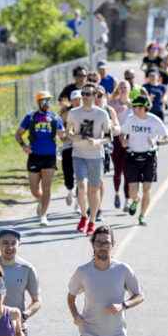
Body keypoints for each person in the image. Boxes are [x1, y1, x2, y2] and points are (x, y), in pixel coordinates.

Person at [66, 83, 112, 235]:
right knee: (81, 186)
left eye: (88, 94)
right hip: (79, 154)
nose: (85, 97)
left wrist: (98, 142)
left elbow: (108, 136)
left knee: (94, 190)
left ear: (94, 96)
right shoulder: (73, 113)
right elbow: (68, 133)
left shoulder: (102, 114)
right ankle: (83, 216)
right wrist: (75, 137)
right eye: (83, 94)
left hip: (96, 156)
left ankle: (92, 220)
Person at [120, 94, 168, 226]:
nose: (133, 109)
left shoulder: (154, 120)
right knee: (132, 192)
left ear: (143, 108)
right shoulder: (131, 119)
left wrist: (156, 142)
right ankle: (135, 201)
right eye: (133, 106)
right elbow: (122, 133)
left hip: (149, 157)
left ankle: (142, 216)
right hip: (132, 157)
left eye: (136, 107)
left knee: (147, 189)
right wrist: (123, 141)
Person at [15, 91, 65, 226]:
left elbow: (62, 136)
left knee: (47, 187)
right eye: (43, 101)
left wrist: (70, 134)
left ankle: (43, 215)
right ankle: (40, 200)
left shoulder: (55, 118)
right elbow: (18, 134)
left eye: (48, 100)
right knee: (34, 190)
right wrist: (23, 146)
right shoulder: (30, 117)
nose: (46, 103)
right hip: (34, 156)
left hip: (50, 156)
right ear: (38, 102)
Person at [94, 85, 121, 222]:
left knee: (98, 180)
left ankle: (97, 208)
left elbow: (118, 129)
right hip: (85, 149)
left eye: (100, 95)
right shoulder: (87, 110)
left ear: (104, 96)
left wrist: (110, 127)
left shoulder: (109, 110)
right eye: (94, 95)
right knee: (86, 182)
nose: (96, 98)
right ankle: (92, 205)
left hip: (103, 149)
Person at [108, 80, 132, 211]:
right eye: (121, 87)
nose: (123, 89)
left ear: (129, 89)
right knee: (118, 170)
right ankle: (117, 194)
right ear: (118, 89)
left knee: (128, 171)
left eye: (125, 87)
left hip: (129, 140)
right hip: (116, 139)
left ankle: (127, 201)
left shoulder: (133, 105)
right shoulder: (112, 104)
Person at [59, 90, 82, 210]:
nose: (77, 101)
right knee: (68, 173)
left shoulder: (85, 111)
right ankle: (69, 191)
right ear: (71, 101)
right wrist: (63, 136)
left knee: (81, 175)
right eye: (74, 99)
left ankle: (78, 201)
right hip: (68, 146)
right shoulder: (65, 113)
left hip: (81, 147)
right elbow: (61, 130)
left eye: (79, 99)